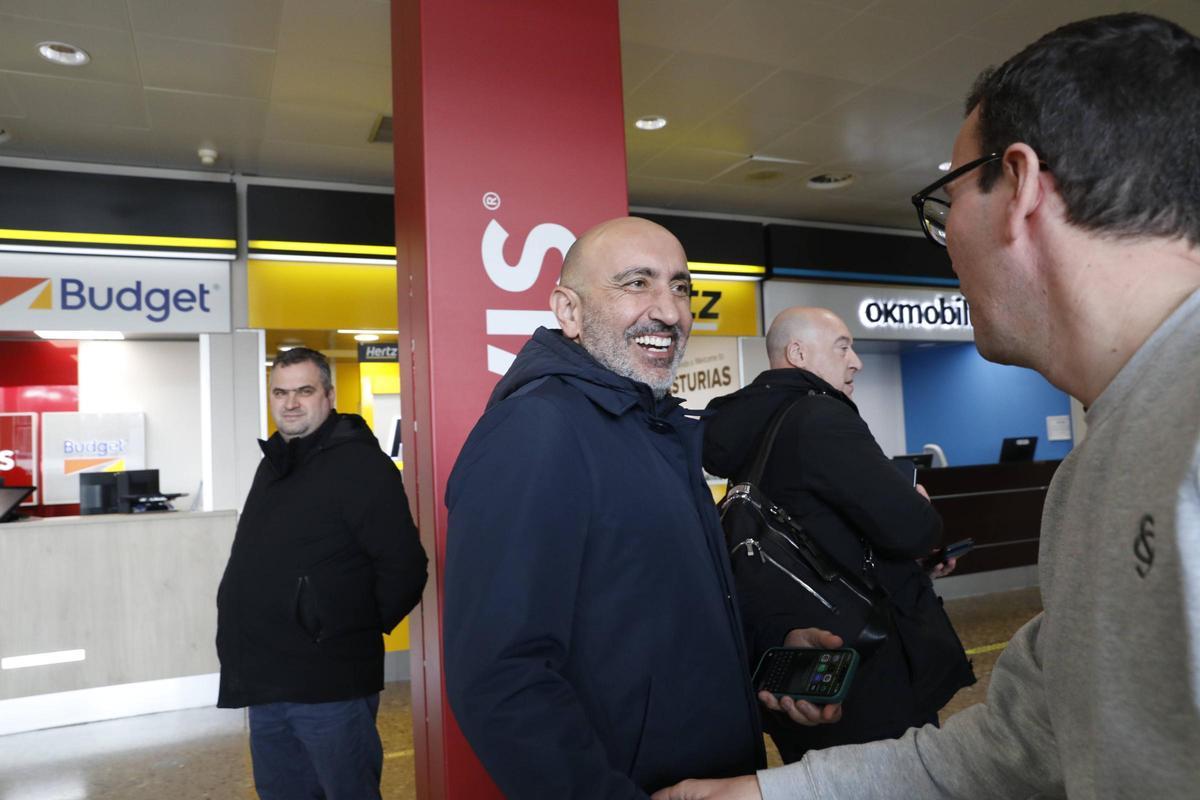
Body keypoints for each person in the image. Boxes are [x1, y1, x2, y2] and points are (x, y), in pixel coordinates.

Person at [653, 12, 1200, 800]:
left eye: (945, 207)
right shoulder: (1096, 470)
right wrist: (765, 795)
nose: (944, 245)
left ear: (1019, 191)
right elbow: (1023, 742)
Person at [443, 216, 803, 799]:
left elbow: (656, 606)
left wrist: (771, 647)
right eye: (637, 283)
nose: (669, 311)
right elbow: (501, 677)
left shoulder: (651, 424)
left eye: (682, 287)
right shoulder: (536, 430)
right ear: (569, 311)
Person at [702, 306, 974, 763]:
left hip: (801, 665)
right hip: (866, 668)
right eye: (843, 347)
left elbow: (822, 538)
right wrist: (920, 510)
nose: (856, 362)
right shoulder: (820, 417)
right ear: (798, 353)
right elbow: (912, 528)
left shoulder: (753, 433)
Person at [215, 346, 427, 800]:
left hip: (329, 687)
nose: (290, 402)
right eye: (280, 392)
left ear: (329, 395)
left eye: (304, 391)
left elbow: (405, 566)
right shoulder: (274, 464)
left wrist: (342, 631)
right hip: (265, 680)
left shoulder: (361, 466)